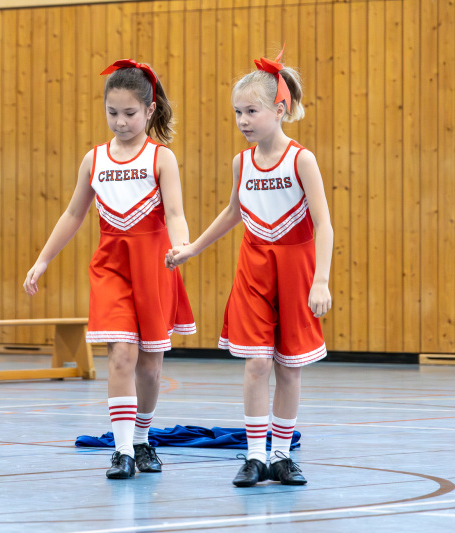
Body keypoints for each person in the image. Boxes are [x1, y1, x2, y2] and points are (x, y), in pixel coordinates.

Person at [166, 47, 332, 487]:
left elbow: (324, 224)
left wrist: (321, 280)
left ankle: (282, 456)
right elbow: (233, 212)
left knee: (289, 367)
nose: (242, 120)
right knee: (257, 363)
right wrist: (192, 248)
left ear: (280, 110)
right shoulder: (241, 162)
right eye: (238, 112)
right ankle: (256, 456)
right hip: (254, 270)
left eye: (251, 111)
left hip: (296, 271)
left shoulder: (301, 159)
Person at [24, 59, 195, 480]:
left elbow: (175, 213)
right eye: (112, 112)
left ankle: (142, 438)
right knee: (121, 355)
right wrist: (43, 259)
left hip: (154, 269)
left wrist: (182, 246)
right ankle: (121, 451)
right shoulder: (94, 159)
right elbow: (73, 214)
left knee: (150, 367)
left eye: (130, 113)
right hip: (111, 269)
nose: (120, 122)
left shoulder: (162, 158)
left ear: (150, 110)